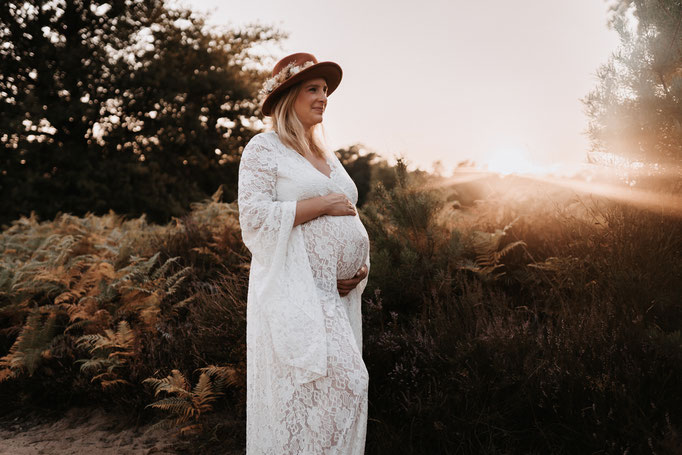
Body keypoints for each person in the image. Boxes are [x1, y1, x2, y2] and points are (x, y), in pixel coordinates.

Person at [237, 52, 371, 454]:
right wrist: (320, 206)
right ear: (288, 96)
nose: (323, 97)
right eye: (313, 89)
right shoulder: (263, 149)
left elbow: (350, 214)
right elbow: (254, 217)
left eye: (325, 90)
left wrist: (360, 267)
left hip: (334, 293)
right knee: (341, 383)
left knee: (323, 394)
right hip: (293, 290)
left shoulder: (327, 155)